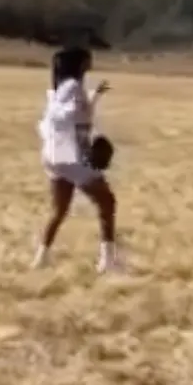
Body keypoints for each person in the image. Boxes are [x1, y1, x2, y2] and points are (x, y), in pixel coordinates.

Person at [32, 46, 122, 273]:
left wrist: (95, 96)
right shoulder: (73, 87)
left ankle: (41, 258)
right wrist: (81, 136)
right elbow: (69, 114)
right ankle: (107, 261)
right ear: (79, 64)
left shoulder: (61, 88)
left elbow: (74, 111)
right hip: (71, 156)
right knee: (107, 202)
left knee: (60, 209)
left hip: (54, 156)